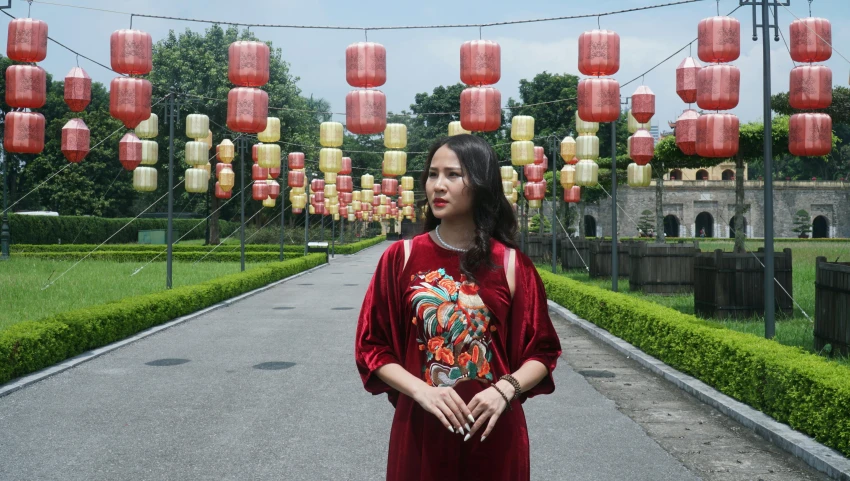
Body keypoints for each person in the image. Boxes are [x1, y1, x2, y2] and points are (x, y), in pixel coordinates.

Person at [355, 134, 562, 481]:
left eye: (452, 175)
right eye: (432, 174)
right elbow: (372, 348)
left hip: (493, 432)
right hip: (421, 430)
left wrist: (505, 389)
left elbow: (542, 351)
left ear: (481, 184)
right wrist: (422, 391)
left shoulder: (511, 264)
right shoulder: (401, 258)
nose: (438, 185)